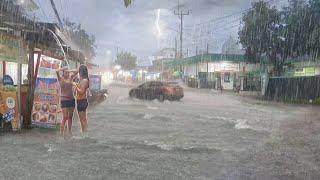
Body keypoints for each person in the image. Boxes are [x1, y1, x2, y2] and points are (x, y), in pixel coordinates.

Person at [56, 67, 78, 136]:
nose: (67, 73)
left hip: (71, 99)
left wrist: (69, 70)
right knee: (65, 117)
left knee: (70, 117)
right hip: (64, 100)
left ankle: (69, 131)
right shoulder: (60, 79)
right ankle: (61, 133)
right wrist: (62, 68)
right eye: (66, 72)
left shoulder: (70, 78)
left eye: (68, 72)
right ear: (63, 73)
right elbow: (57, 71)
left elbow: (77, 70)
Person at [73, 65, 90, 133]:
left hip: (81, 101)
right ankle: (85, 132)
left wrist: (75, 86)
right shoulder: (83, 80)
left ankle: (84, 133)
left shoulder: (84, 80)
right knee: (84, 119)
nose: (78, 73)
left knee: (82, 120)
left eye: (79, 71)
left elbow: (81, 91)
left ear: (81, 72)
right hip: (82, 101)